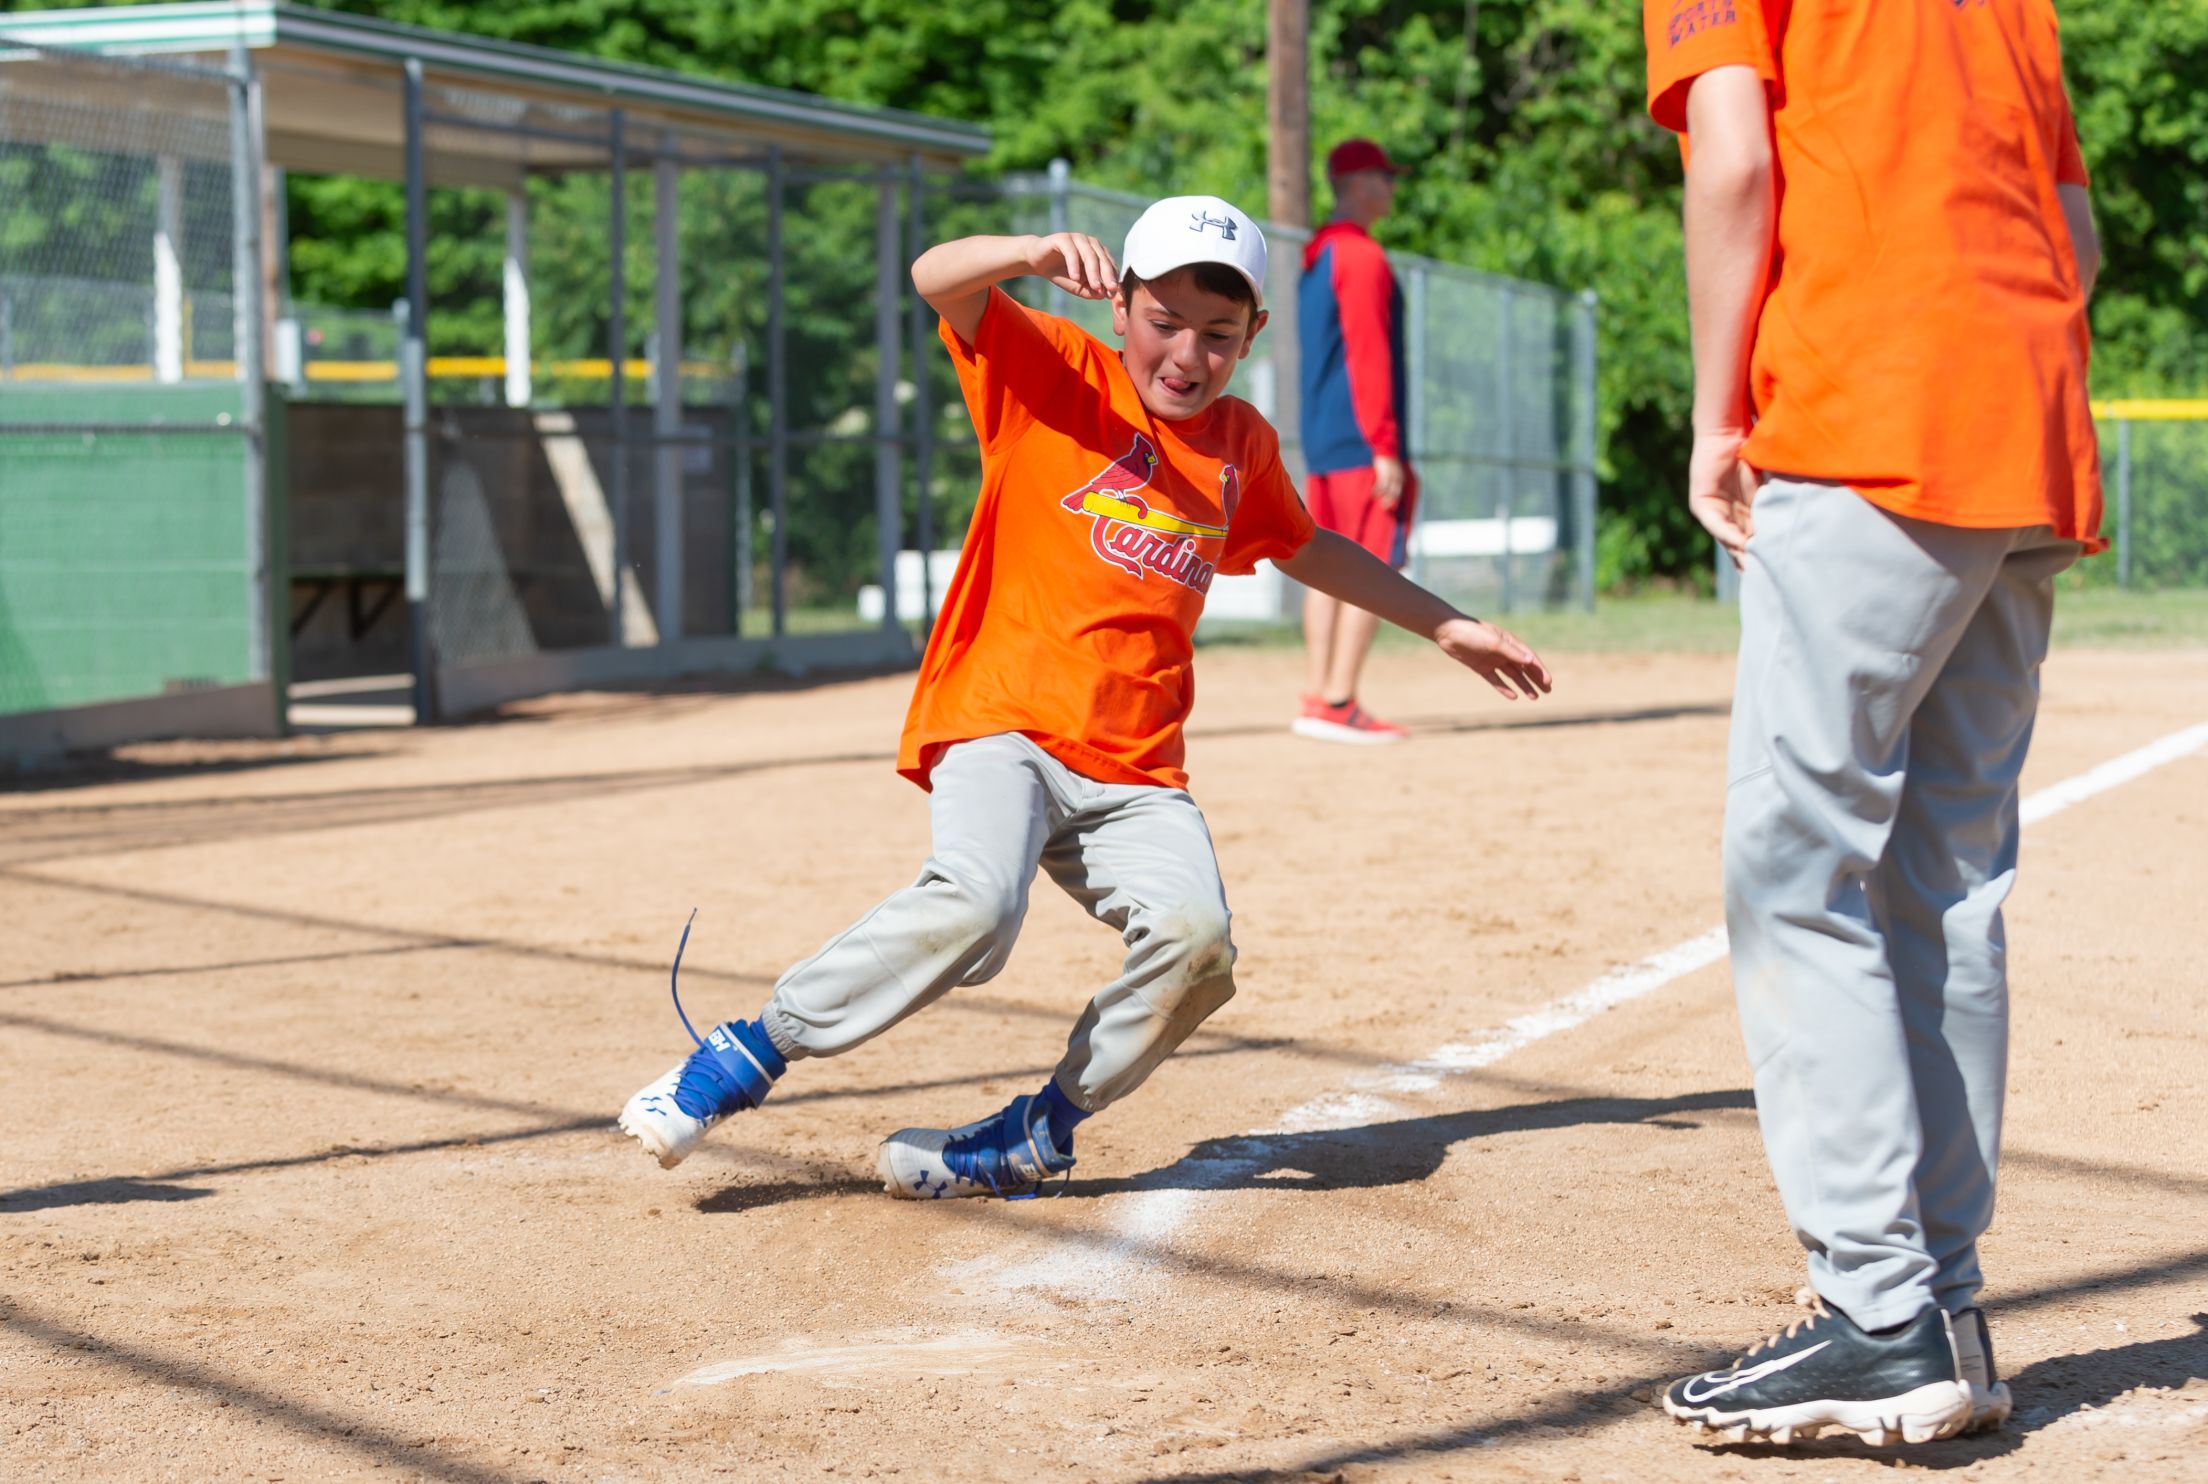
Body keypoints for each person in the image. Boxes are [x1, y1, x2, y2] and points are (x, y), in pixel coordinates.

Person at [618, 196, 1552, 1199]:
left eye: (1218, 334)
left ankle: (1031, 1132)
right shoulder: (1054, 371)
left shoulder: (1240, 447)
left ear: (1252, 339)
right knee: (977, 902)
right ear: (1122, 309)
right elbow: (937, 276)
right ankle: (744, 1054)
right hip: (1006, 718)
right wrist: (1026, 251)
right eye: (1165, 321)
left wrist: (1443, 621)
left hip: (1136, 768)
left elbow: (1307, 543)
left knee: (1198, 943)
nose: (1187, 353)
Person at [1643, 0, 2102, 1447]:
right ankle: (1941, 1306)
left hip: (1871, 415)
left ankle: (1879, 1313)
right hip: (2025, 429)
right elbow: (2075, 227)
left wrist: (1717, 421)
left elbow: (1732, 162)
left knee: (1798, 867)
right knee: (1946, 881)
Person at [1295, 138, 1417, 744]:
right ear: (1360, 183)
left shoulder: (1317, 254)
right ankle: (1339, 701)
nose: (1392, 189)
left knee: (1327, 566)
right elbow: (1367, 355)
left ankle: (1319, 693)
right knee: (1371, 566)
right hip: (1360, 439)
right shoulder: (1360, 255)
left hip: (1324, 438)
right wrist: (1385, 444)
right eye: (1385, 178)